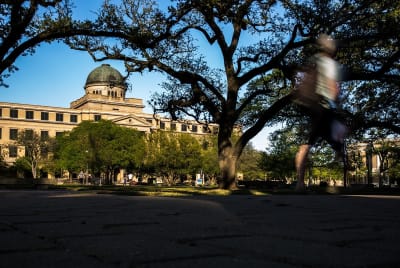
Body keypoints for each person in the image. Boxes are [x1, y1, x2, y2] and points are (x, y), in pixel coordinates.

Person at [295, 34, 346, 192]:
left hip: (311, 105)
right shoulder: (330, 64)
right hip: (324, 106)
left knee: (307, 144)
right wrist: (337, 103)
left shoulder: (314, 59)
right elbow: (333, 86)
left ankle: (300, 183)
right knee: (337, 137)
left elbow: (302, 77)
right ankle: (340, 158)